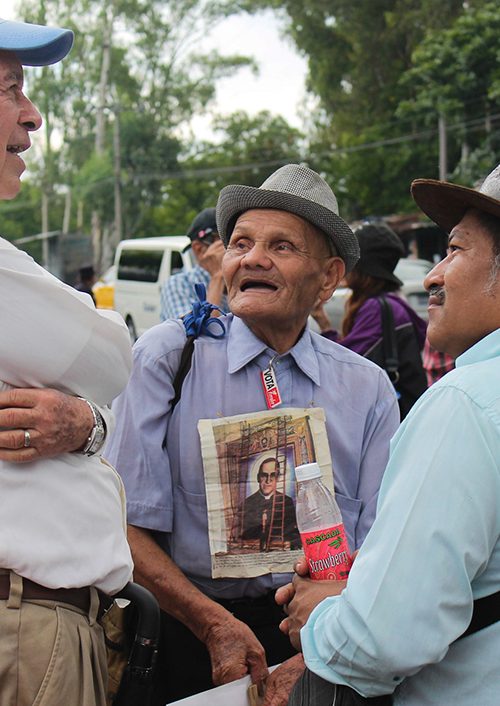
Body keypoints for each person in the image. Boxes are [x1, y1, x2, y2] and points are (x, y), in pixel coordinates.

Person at [105, 163, 400, 706]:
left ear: (329, 278)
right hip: (188, 629)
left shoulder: (368, 389)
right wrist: (212, 623)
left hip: (324, 639)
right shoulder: (167, 358)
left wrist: (315, 656)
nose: (253, 258)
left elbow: (384, 547)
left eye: (281, 246)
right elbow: (122, 526)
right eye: (241, 243)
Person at [278, 164, 500, 706]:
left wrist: (321, 617)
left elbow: (380, 640)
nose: (433, 276)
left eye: (455, 249)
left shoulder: (465, 404)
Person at [0, 17, 134, 706]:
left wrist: (85, 423)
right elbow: (112, 356)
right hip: (24, 630)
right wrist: (91, 414)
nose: (32, 116)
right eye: (10, 89)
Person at [311, 221, 427, 418]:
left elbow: (343, 365)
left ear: (363, 267)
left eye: (349, 259)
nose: (343, 266)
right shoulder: (389, 302)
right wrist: (323, 322)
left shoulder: (376, 308)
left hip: (393, 418)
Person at [160, 207, 228, 320]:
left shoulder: (242, 282)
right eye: (226, 241)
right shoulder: (178, 285)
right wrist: (217, 276)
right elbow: (196, 330)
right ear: (198, 249)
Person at [238, 458, 300, 550]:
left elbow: (293, 533)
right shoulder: (246, 504)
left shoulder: (287, 501)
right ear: (258, 478)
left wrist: (290, 542)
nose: (268, 480)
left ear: (278, 478)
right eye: (264, 475)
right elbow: (243, 536)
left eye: (273, 475)